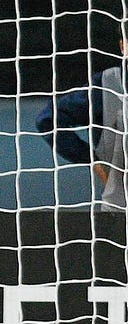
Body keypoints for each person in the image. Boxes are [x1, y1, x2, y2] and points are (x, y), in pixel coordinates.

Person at [36, 31, 128, 210]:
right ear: (123, 46)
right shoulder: (106, 86)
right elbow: (48, 120)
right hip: (122, 211)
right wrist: (93, 161)